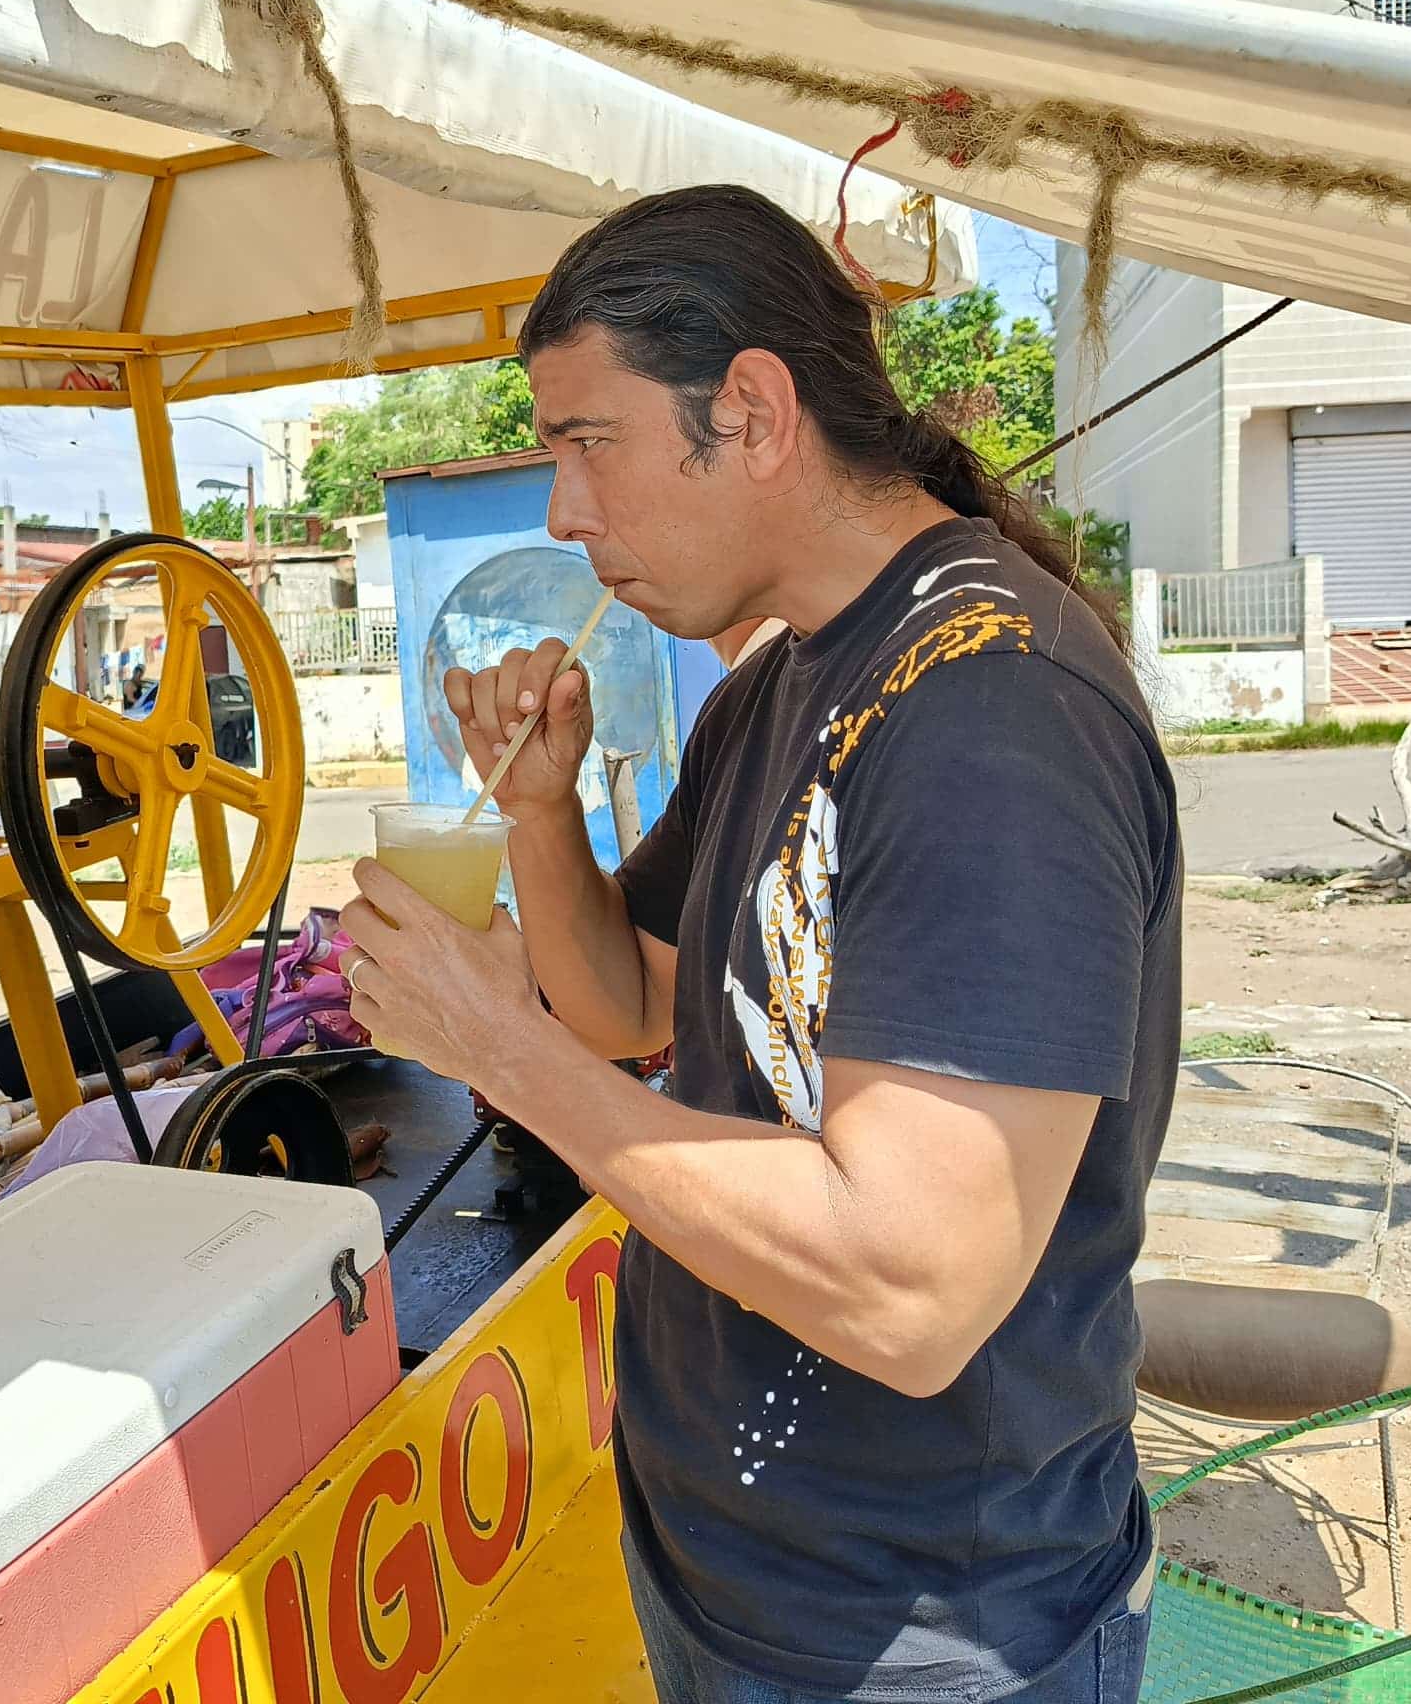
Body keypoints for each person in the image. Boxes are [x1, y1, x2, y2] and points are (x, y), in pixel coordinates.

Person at [338, 187, 1181, 1704]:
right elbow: (627, 1009)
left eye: (586, 442)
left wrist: (497, 1054)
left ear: (752, 410)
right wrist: (543, 815)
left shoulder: (994, 714)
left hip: (926, 1638)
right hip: (732, 1565)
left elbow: (913, 1292)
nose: (563, 512)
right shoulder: (770, 690)